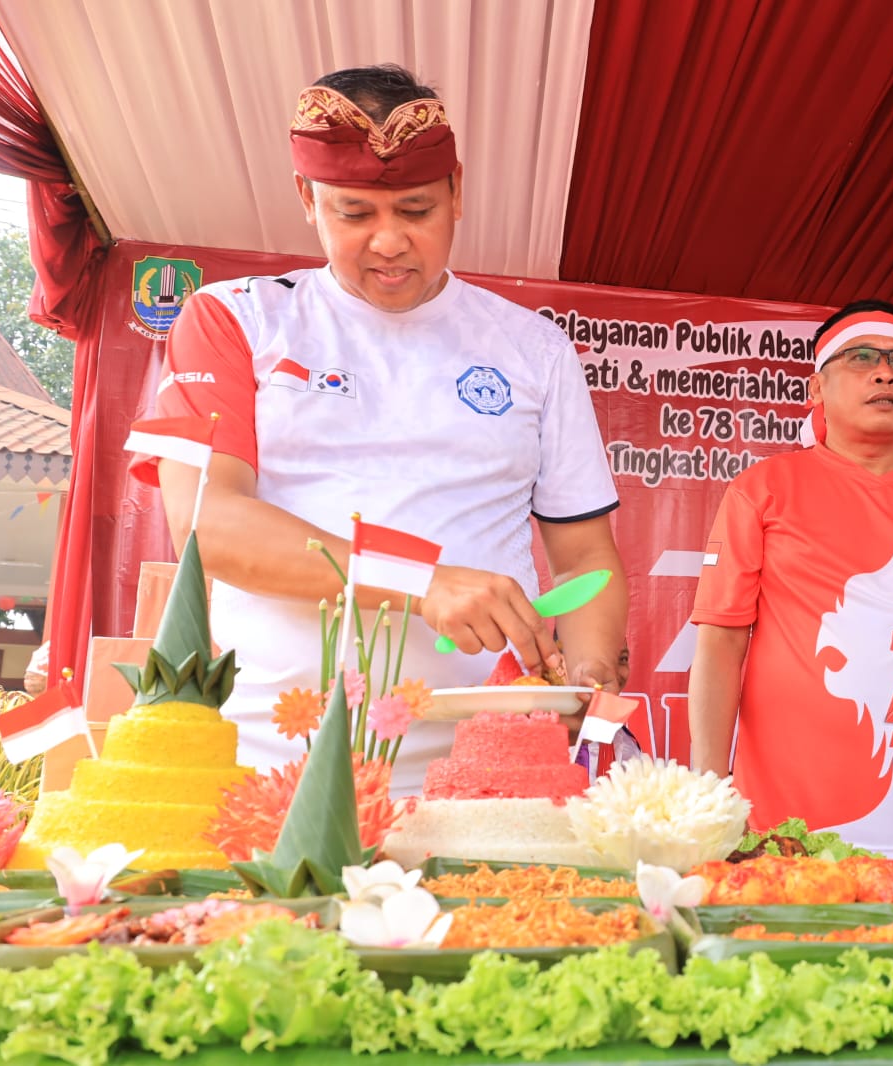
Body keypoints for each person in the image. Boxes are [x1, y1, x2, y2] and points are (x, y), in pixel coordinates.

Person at [132, 65, 626, 794]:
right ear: (307, 198)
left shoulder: (535, 350)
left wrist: (586, 671)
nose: (389, 241)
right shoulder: (235, 317)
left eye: (417, 210)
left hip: (492, 774)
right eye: (355, 213)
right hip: (276, 765)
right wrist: (422, 583)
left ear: (457, 192)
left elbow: (586, 558)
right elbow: (211, 526)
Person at [687, 299, 893, 904]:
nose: (885, 373)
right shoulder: (764, 490)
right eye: (861, 358)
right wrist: (710, 800)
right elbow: (719, 643)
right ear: (817, 386)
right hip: (791, 835)